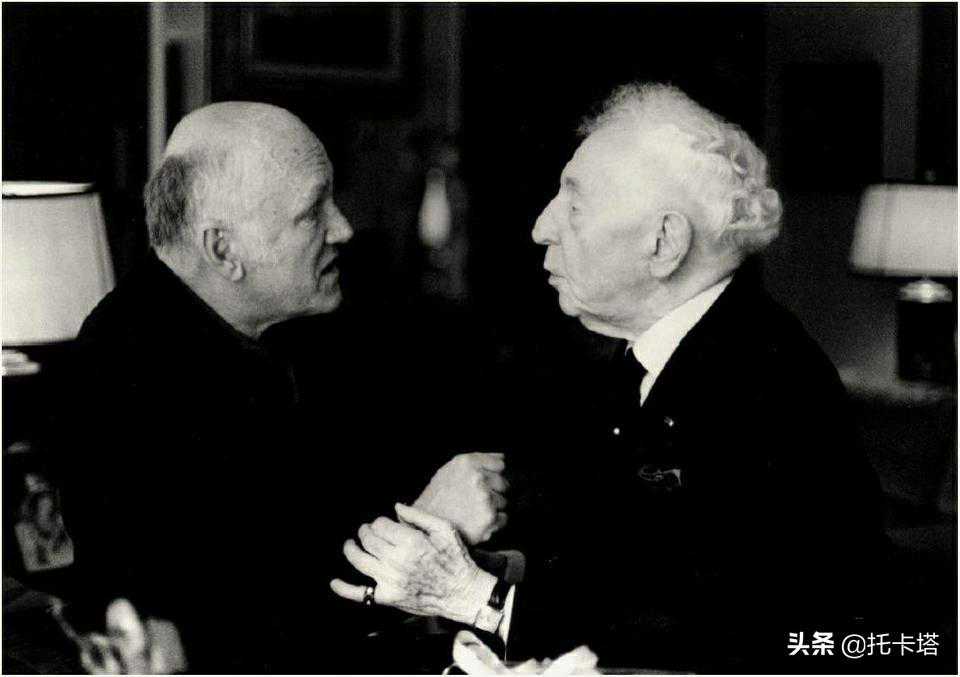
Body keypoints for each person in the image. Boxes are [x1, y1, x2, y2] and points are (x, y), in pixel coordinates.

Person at [332, 83, 886, 672]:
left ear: (664, 243)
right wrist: (496, 571)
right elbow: (633, 568)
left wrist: (479, 598)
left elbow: (728, 632)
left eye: (574, 206)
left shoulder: (761, 384)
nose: (541, 227)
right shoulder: (657, 358)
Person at [54, 102, 507, 672]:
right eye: (312, 212)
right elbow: (231, 632)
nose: (343, 228)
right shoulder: (123, 378)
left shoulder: (305, 323)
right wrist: (426, 535)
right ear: (224, 250)